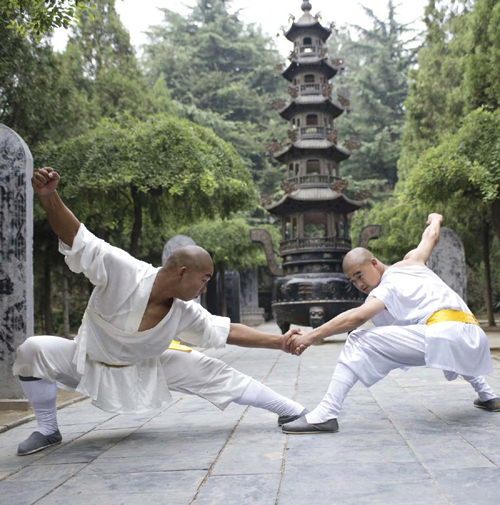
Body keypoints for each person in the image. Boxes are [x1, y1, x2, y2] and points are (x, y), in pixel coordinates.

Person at [14, 168, 306, 455]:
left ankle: (291, 409)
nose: (205, 288)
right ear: (181, 272)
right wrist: (49, 196)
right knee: (32, 349)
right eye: (204, 279)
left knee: (213, 371)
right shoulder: (123, 269)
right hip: (86, 361)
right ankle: (47, 428)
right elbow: (78, 237)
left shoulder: (184, 310)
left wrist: (279, 342)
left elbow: (227, 331)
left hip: (147, 367)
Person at [282, 213, 500, 434]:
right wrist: (436, 219)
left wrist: (310, 336)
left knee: (357, 339)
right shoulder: (413, 261)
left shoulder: (386, 287)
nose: (359, 284)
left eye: (360, 275)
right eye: (352, 281)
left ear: (374, 263)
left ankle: (325, 414)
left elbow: (357, 318)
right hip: (473, 335)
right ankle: (488, 396)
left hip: (445, 334)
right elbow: (431, 237)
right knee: (445, 338)